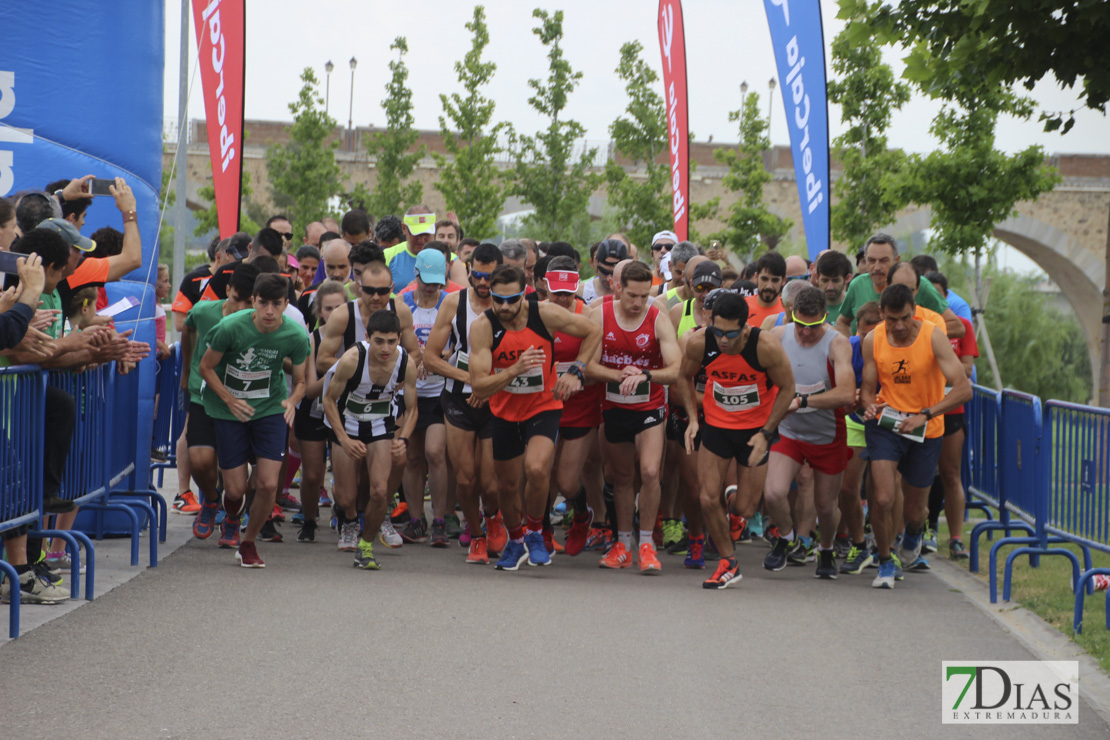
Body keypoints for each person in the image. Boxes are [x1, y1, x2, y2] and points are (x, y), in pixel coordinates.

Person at [468, 265, 600, 570]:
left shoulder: (546, 314)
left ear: (525, 293)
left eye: (512, 299)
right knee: (508, 484)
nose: (504, 307)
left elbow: (593, 331)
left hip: (543, 406)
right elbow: (478, 385)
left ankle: (536, 533)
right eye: (497, 300)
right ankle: (515, 541)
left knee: (538, 468)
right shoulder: (483, 327)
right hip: (504, 412)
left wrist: (578, 369)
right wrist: (515, 369)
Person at [860, 283, 972, 589]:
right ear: (881, 313)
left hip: (927, 428)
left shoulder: (933, 336)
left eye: (905, 318)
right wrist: (869, 406)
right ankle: (885, 560)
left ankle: (912, 535)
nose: (898, 326)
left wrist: (926, 414)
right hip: (887, 425)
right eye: (891, 319)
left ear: (915, 312)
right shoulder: (872, 340)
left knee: (914, 510)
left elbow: (964, 389)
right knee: (882, 498)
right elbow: (868, 390)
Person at [681, 292, 795, 589]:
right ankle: (728, 562)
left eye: (730, 333)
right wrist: (693, 420)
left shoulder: (765, 346)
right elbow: (683, 377)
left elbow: (787, 388)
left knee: (744, 508)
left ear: (745, 327)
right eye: (717, 331)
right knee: (706, 497)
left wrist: (767, 433)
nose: (723, 340)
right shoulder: (700, 342)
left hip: (755, 430)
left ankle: (734, 498)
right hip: (717, 426)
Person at [197, 273, 311, 568]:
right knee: (234, 491)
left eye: (277, 304)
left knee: (267, 484)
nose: (270, 311)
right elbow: (206, 367)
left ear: (286, 304)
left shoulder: (295, 336)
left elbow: (301, 381)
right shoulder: (231, 327)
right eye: (263, 303)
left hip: (270, 408)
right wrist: (229, 398)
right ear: (254, 302)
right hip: (229, 409)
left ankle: (248, 543)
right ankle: (232, 512)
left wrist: (292, 402)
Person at [587, 260, 684, 574]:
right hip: (614, 408)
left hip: (649, 408)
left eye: (644, 296)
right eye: (632, 296)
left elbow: (675, 369)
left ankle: (647, 543)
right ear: (617, 288)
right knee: (623, 478)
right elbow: (585, 365)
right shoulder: (599, 315)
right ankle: (623, 544)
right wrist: (617, 375)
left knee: (650, 471)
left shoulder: (657, 317)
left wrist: (645, 374)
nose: (638, 303)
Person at [761, 284, 855, 579]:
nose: (805, 333)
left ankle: (825, 549)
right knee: (774, 493)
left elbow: (846, 394)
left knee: (826, 508)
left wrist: (801, 401)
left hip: (826, 436)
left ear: (825, 318)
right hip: (789, 432)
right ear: (791, 315)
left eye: (813, 327)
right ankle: (787, 538)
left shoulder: (837, 343)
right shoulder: (778, 336)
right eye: (800, 324)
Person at [422, 243, 506, 563]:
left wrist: (490, 384)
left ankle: (495, 517)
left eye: (490, 277)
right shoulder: (452, 304)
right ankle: (478, 535)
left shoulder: (511, 305)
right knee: (466, 479)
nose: (484, 283)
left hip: (496, 399)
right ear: (468, 271)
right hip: (459, 396)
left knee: (490, 480)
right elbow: (430, 357)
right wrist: (473, 380)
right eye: (478, 276)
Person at [322, 310, 418, 569]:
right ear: (367, 337)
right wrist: (343, 438)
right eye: (379, 341)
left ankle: (365, 546)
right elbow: (328, 401)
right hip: (347, 424)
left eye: (391, 341)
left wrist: (404, 438)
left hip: (379, 425)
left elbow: (413, 409)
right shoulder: (353, 358)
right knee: (345, 497)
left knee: (379, 491)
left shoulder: (406, 362)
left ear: (399, 338)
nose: (385, 348)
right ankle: (348, 517)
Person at [182, 263, 259, 540]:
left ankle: (233, 517)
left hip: (242, 404)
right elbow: (188, 328)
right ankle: (212, 500)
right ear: (227, 290)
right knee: (200, 462)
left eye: (249, 303)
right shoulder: (204, 312)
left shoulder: (261, 323)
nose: (241, 308)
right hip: (205, 398)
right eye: (236, 299)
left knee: (236, 478)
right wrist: (186, 370)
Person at [542, 257, 605, 555]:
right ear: (545, 286)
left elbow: (594, 368)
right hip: (542, 404)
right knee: (540, 472)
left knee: (567, 482)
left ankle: (582, 515)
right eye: (557, 293)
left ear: (578, 287)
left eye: (568, 292)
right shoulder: (535, 313)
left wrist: (575, 374)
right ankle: (542, 531)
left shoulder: (589, 316)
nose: (563, 299)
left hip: (580, 406)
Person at [400, 249, 453, 547]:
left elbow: (458, 342)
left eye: (437, 281)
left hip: (439, 391)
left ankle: (442, 520)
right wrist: (414, 360)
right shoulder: (403, 303)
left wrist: (435, 358)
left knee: (436, 454)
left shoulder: (450, 303)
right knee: (412, 457)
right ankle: (416, 520)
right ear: (416, 275)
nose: (432, 286)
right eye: (427, 280)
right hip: (411, 392)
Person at [289, 280, 348, 542]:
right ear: (318, 311)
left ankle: (346, 514)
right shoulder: (311, 339)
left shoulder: (356, 336)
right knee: (312, 474)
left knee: (344, 472)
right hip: (313, 409)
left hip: (346, 410)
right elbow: (311, 389)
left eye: (340, 307)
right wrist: (343, 367)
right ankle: (310, 519)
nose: (334, 313)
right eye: (328, 308)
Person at [924, 271, 978, 560]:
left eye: (937, 295)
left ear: (946, 298)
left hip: (951, 408)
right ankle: (921, 529)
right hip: (920, 408)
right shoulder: (915, 325)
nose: (932, 301)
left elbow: (967, 370)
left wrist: (944, 361)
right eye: (926, 295)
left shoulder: (962, 327)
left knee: (950, 473)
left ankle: (956, 538)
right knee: (918, 475)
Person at [837, 233, 964, 338]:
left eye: (883, 261)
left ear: (896, 260)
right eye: (871, 260)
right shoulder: (857, 285)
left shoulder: (917, 283)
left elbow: (957, 326)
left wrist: (915, 335)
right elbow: (842, 322)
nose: (876, 267)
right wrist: (850, 351)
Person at [383, 206, 436, 288]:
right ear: (404, 228)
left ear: (435, 227)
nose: (421, 240)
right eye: (416, 234)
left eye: (426, 234)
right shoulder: (386, 256)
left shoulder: (448, 259)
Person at [745, 252, 786, 327]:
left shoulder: (788, 311)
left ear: (783, 280)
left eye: (775, 280)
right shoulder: (742, 307)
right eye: (764, 279)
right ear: (756, 277)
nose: (769, 286)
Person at [580, 239, 627, 304]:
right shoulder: (582, 292)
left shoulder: (636, 294)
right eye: (604, 272)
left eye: (613, 274)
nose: (609, 278)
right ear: (596, 262)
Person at [813, 250, 853, 322]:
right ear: (816, 277)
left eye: (835, 281)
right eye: (825, 280)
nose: (830, 287)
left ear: (847, 278)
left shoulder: (856, 306)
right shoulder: (808, 307)